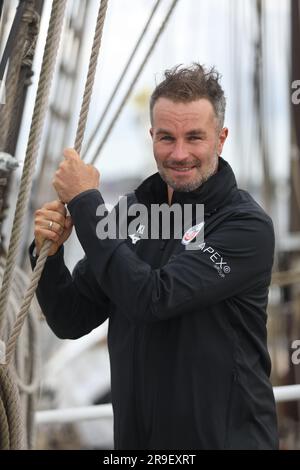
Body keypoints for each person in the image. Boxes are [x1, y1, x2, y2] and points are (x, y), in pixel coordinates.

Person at [30, 63, 279, 450]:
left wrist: (86, 203)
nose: (179, 153)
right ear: (152, 137)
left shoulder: (246, 227)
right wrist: (49, 253)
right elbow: (69, 317)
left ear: (221, 138)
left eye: (194, 137)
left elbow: (153, 297)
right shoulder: (133, 212)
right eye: (167, 137)